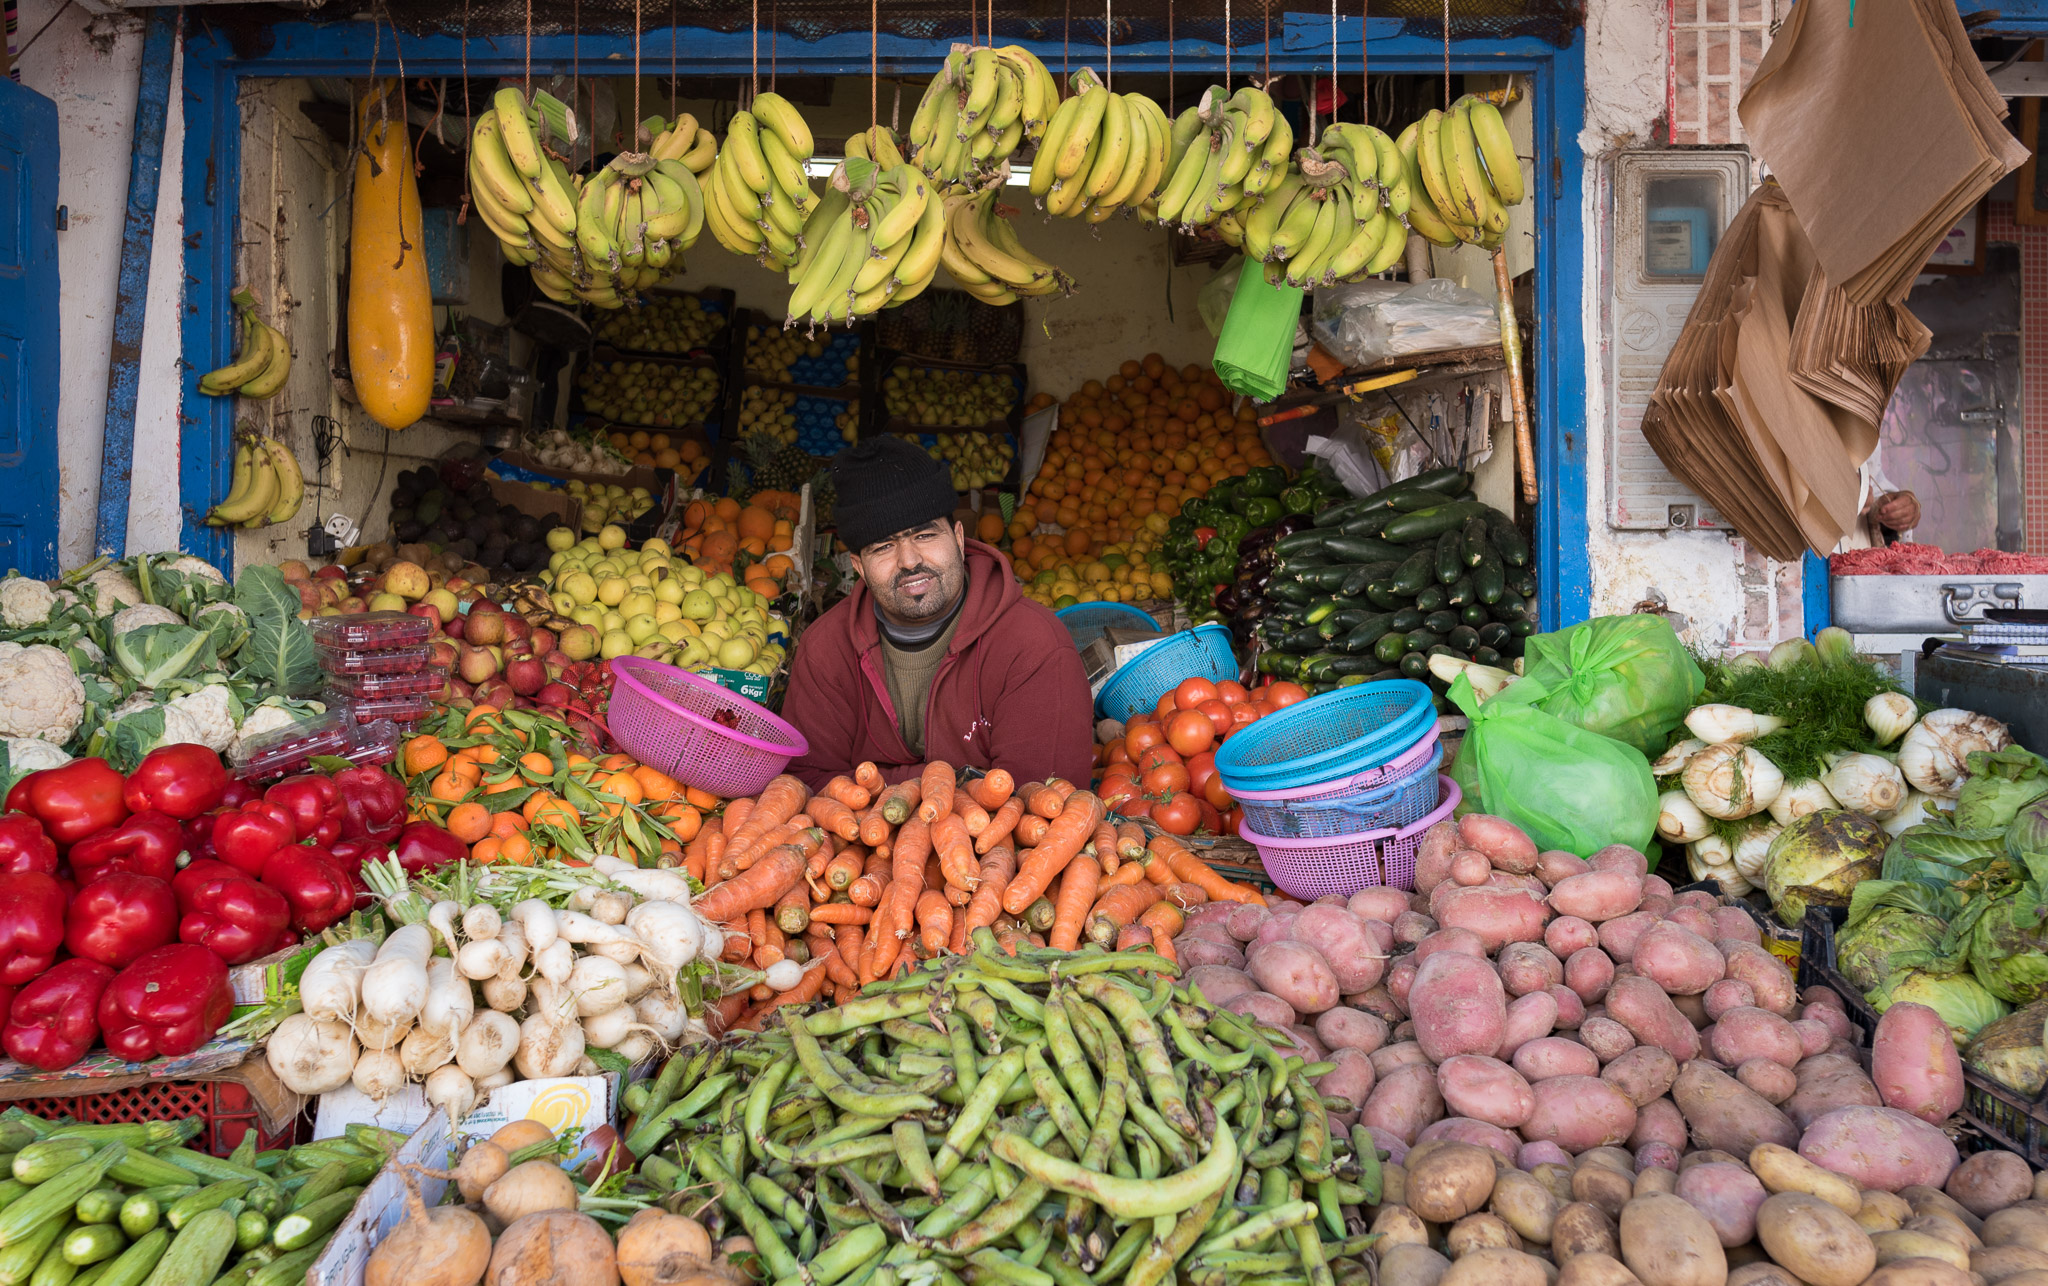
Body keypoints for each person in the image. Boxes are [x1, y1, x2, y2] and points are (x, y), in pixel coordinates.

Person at [781, 436, 1095, 790]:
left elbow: (1044, 798)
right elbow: (802, 784)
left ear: (959, 538)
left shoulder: (1033, 644)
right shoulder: (825, 648)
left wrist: (880, 784)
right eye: (884, 546)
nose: (910, 561)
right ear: (859, 567)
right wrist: (959, 780)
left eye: (925, 535)